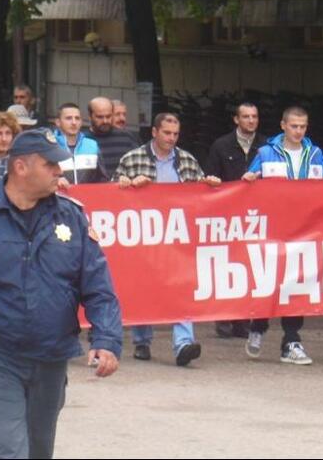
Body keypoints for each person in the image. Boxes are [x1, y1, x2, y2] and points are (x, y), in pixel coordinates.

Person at [0, 128, 122, 459]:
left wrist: (106, 339)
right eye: (50, 165)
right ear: (20, 167)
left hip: (50, 357)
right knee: (10, 452)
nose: (59, 171)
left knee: (38, 452)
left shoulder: (71, 216)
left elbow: (98, 287)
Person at [115, 113, 221, 366]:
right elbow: (112, 194)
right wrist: (127, 184)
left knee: (181, 286)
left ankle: (183, 343)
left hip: (177, 237)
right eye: (167, 133)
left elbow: (200, 194)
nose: (172, 138)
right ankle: (142, 340)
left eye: (175, 134)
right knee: (144, 286)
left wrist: (209, 184)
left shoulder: (187, 160)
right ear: (154, 132)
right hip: (144, 235)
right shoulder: (132, 158)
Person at [242, 106, 323, 365]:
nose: (298, 131)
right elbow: (247, 184)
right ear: (283, 126)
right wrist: (248, 179)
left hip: (304, 230)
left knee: (297, 282)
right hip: (272, 230)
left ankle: (291, 340)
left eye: (303, 126)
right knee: (269, 280)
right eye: (294, 126)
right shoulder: (266, 153)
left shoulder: (315, 154)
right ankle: (258, 326)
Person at [204, 102, 265, 339]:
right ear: (236, 120)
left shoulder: (266, 147)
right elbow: (210, 178)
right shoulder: (221, 145)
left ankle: (243, 320)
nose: (251, 120)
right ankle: (223, 318)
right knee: (225, 267)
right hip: (226, 216)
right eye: (246, 116)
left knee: (249, 267)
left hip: (256, 216)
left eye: (254, 116)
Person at [52, 103, 106, 185]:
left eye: (77, 118)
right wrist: (55, 181)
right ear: (58, 122)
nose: (74, 122)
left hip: (86, 193)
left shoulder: (92, 145)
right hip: (58, 193)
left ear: (81, 122)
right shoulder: (49, 146)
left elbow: (102, 179)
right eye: (68, 118)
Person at [87, 97, 139, 178]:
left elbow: (138, 165)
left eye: (108, 116)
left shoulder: (126, 137)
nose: (105, 121)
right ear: (90, 117)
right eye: (100, 117)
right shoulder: (83, 140)